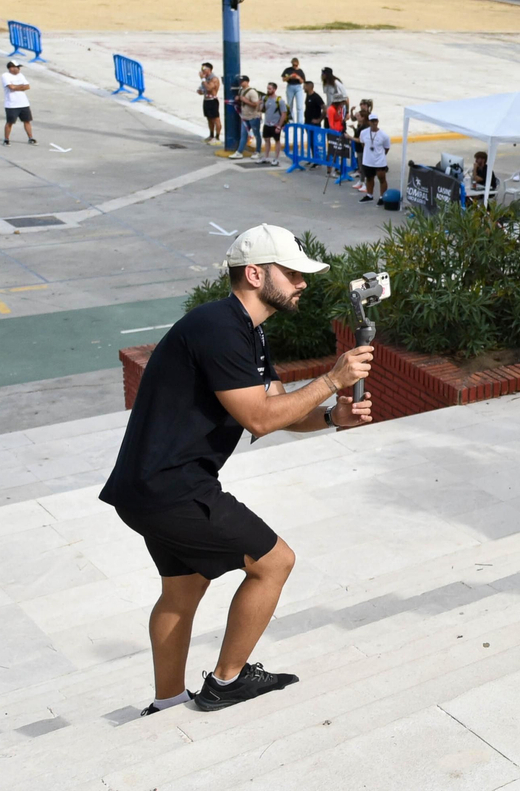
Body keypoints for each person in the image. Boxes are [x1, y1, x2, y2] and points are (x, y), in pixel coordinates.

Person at [100, 225, 375, 716]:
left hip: (147, 489)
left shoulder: (246, 330)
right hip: (174, 488)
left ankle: (167, 702)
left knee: (182, 589)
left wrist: (331, 416)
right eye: (291, 273)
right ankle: (227, 682)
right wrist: (333, 378)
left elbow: (273, 409)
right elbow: (259, 418)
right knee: (275, 562)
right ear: (254, 273)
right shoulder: (220, 329)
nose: (301, 283)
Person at [2, 61, 36, 146]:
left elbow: (27, 86)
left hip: (23, 103)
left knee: (27, 121)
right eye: (17, 67)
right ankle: (6, 139)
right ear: (11, 68)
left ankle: (30, 138)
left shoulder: (21, 75)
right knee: (10, 122)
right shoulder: (5, 76)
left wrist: (17, 86)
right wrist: (21, 86)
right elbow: (11, 87)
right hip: (12, 104)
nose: (19, 69)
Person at [358, 114, 391, 203]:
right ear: (369, 122)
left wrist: (381, 156)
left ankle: (382, 197)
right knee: (369, 178)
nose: (374, 123)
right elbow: (363, 144)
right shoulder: (363, 133)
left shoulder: (384, 135)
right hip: (368, 160)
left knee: (382, 178)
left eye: (376, 121)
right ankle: (369, 195)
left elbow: (387, 148)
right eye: (372, 121)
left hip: (379, 161)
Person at [230, 76, 263, 160]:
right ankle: (239, 152)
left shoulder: (252, 92)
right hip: (245, 117)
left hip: (254, 117)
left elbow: (256, 104)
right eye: (240, 81)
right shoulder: (241, 91)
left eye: (242, 81)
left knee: (257, 134)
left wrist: (245, 101)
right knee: (243, 135)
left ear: (247, 82)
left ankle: (258, 151)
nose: (241, 82)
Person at [260, 82, 289, 165]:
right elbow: (261, 110)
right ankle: (266, 156)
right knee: (266, 140)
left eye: (270, 89)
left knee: (277, 140)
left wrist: (279, 126)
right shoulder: (265, 98)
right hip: (267, 123)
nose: (268, 90)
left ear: (274, 89)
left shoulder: (279, 101)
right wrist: (260, 104)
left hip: (275, 124)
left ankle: (276, 158)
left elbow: (284, 113)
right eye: (267, 88)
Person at [198, 63, 222, 144]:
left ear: (210, 70)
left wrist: (203, 79)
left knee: (216, 119)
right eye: (202, 70)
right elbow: (203, 89)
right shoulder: (206, 79)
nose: (203, 72)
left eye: (205, 70)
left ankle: (217, 137)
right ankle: (211, 135)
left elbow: (209, 88)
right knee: (209, 118)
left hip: (212, 100)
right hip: (206, 100)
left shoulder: (213, 79)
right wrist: (200, 91)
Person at [280, 58, 306, 124]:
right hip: (290, 86)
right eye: (294, 65)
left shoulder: (300, 71)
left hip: (298, 87)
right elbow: (283, 79)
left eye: (296, 65)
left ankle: (300, 121)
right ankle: (291, 120)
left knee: (299, 105)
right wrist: (289, 77)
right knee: (290, 104)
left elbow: (303, 81)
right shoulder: (288, 70)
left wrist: (298, 78)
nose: (295, 66)